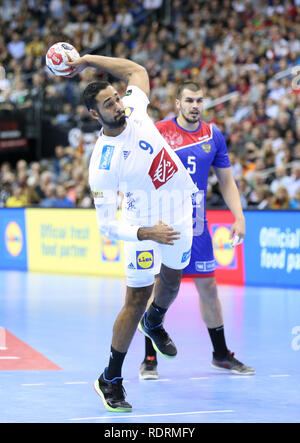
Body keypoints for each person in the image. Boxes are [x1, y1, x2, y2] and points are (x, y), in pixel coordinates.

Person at [67, 55, 198, 412]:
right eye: (108, 104)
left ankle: (154, 321)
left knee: (171, 282)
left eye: (116, 97)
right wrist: (146, 232)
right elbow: (106, 225)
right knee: (135, 299)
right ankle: (109, 378)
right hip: (143, 222)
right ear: (95, 115)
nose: (117, 105)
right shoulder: (103, 163)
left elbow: (137, 71)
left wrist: (86, 60)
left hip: (180, 210)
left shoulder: (136, 109)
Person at [139, 81, 255, 380]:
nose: (194, 106)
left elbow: (227, 181)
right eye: (189, 100)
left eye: (199, 100)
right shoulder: (160, 131)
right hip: (164, 223)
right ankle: (149, 358)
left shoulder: (213, 135)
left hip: (197, 224)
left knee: (209, 288)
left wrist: (239, 217)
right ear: (177, 102)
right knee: (156, 287)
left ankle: (220, 355)